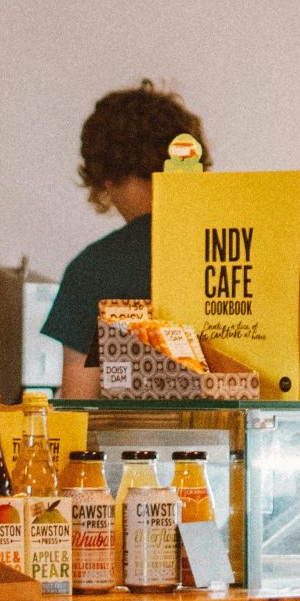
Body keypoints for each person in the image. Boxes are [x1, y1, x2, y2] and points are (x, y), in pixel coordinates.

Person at [43, 81, 211, 397]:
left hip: (128, 444)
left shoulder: (91, 270)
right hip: (232, 441)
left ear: (105, 172)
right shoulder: (232, 249)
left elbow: (79, 402)